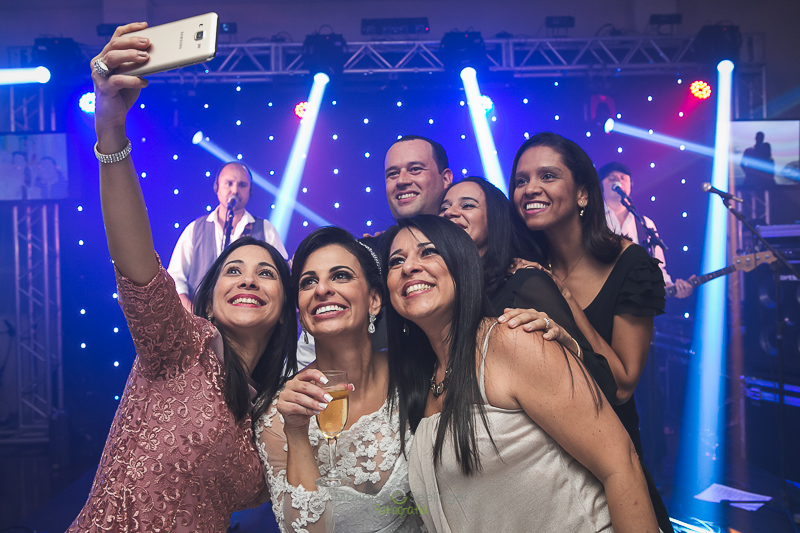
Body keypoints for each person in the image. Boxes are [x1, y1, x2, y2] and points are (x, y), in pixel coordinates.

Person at [70, 23, 297, 531]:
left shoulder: (274, 410)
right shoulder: (181, 347)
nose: (249, 280)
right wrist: (110, 128)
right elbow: (142, 269)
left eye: (266, 273)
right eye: (233, 271)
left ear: (285, 305)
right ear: (209, 300)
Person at [383, 215, 659, 533]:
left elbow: (621, 465)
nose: (408, 267)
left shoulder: (511, 341)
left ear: (462, 265)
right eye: (396, 261)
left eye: (428, 251)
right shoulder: (424, 380)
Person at [508, 132, 673, 533]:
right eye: (521, 180)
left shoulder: (631, 264)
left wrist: (563, 300)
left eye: (548, 176)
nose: (530, 188)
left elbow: (623, 385)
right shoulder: (519, 265)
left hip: (609, 461)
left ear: (583, 192)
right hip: (538, 465)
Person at [255, 227, 425, 532]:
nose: (322, 289)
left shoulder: (415, 372)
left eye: (341, 276)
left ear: (374, 300)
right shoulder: (277, 414)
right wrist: (296, 431)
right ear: (301, 311)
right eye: (308, 282)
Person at [440, 176, 618, 403]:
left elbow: (602, 384)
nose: (450, 213)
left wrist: (567, 343)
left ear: (495, 220)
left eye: (467, 205)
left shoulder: (525, 283)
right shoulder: (445, 293)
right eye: (443, 208)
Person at [167, 160, 288, 312]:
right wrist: (192, 312)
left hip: (250, 318)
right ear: (217, 187)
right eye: (229, 183)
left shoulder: (265, 229)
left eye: (242, 185)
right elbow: (175, 278)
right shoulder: (195, 229)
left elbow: (283, 277)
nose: (235, 190)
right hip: (197, 318)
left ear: (250, 191)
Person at [598, 162, 693, 299]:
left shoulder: (645, 224)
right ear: (600, 185)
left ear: (631, 184)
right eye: (612, 178)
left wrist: (673, 287)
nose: (618, 181)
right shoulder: (590, 219)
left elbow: (656, 268)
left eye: (623, 178)